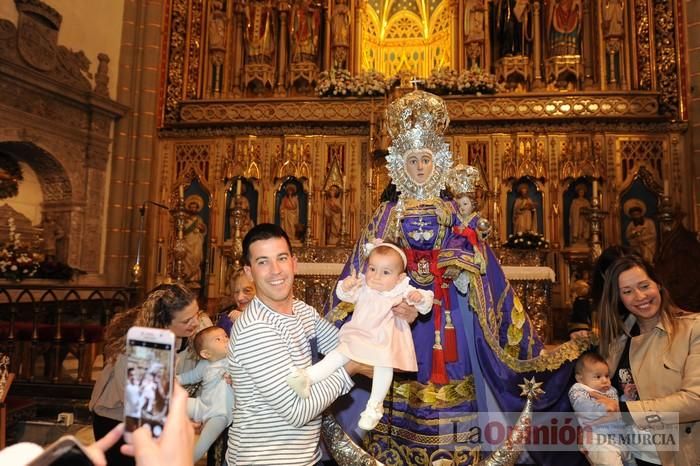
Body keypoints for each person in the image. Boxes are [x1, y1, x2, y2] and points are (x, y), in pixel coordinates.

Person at [328, 90, 587, 465]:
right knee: (396, 374)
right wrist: (366, 288)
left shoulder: (454, 210)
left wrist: (455, 268)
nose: (419, 167)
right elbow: (367, 259)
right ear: (400, 163)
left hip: (449, 311)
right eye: (412, 159)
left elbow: (476, 257)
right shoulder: (388, 212)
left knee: (451, 373)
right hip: (395, 314)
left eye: (426, 159)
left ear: (439, 162)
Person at [228, 223, 402, 466]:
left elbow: (348, 345)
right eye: (263, 262)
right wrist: (351, 368)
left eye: (281, 258)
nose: (275, 270)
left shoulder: (302, 312)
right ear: (249, 272)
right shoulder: (254, 328)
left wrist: (390, 310)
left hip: (305, 459)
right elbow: (298, 411)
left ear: (294, 262)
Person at [286, 240, 433, 431]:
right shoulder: (364, 285)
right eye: (372, 269)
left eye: (386, 272)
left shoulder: (401, 289)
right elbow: (345, 295)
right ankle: (307, 377)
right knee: (336, 356)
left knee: (383, 368)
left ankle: (374, 407)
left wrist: (418, 299)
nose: (377, 277)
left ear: (399, 278)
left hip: (384, 341)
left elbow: (425, 302)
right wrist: (347, 286)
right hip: (359, 336)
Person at [595, 254, 700, 465]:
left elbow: (695, 401)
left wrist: (625, 411)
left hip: (674, 456)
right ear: (619, 298)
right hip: (628, 456)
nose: (640, 296)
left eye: (644, 285)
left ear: (658, 285)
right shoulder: (616, 343)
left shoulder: (693, 328)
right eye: (627, 291)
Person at [89, 283, 200, 466]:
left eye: (196, 314)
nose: (195, 322)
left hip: (141, 421)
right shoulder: (135, 351)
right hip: (114, 420)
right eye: (186, 320)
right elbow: (142, 407)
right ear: (164, 323)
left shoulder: (166, 337)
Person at [176, 327, 234, 461]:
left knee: (203, 444)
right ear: (206, 354)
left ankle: (188, 461)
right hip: (201, 405)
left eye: (226, 336)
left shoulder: (233, 360)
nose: (226, 339)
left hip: (220, 414)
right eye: (218, 339)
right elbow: (191, 377)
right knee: (172, 403)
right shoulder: (204, 364)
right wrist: (176, 379)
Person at [568, 351, 635, 466]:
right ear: (580, 378)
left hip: (620, 439)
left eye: (607, 375)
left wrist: (626, 398)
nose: (604, 380)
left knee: (632, 462)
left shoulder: (611, 390)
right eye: (598, 377)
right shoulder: (579, 390)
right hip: (597, 439)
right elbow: (583, 407)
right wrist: (603, 407)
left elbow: (617, 407)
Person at [217, 268, 256, 335]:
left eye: (247, 291)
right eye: (236, 292)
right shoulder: (226, 322)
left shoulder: (274, 317)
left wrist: (245, 320)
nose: (239, 298)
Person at [182, 195, 207, 285]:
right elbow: (183, 231)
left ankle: (194, 278)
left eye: (195, 207)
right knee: (186, 259)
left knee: (196, 258)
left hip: (197, 242)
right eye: (191, 207)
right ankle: (186, 277)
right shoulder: (185, 219)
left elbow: (204, 230)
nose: (193, 209)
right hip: (188, 242)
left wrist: (201, 228)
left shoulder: (199, 219)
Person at [624, 199, 657, 264]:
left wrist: (643, 239)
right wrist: (634, 234)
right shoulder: (631, 225)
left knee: (646, 253)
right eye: (634, 215)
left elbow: (654, 235)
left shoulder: (649, 222)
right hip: (636, 246)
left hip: (649, 245)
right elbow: (628, 236)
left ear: (641, 214)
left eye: (637, 214)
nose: (636, 217)